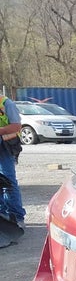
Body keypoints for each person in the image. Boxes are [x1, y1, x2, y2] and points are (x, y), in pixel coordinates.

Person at [0, 93, 25, 233]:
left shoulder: (6, 104)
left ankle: (17, 217)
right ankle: (2, 215)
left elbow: (16, 126)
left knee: (8, 181)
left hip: (6, 146)